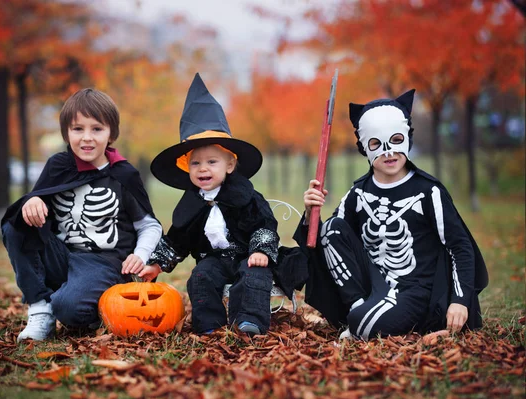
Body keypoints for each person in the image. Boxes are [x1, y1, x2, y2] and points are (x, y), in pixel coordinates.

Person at [295, 89, 488, 340]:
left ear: (408, 137)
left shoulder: (427, 192)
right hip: (371, 287)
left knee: (360, 325)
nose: (388, 152)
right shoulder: (359, 193)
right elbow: (328, 239)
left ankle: (363, 320)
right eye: (376, 144)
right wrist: (311, 212)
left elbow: (460, 246)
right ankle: (359, 309)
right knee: (332, 226)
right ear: (363, 147)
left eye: (396, 140)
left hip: (417, 292)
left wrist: (460, 300)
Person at [1, 88, 162, 342]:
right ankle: (40, 309)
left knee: (70, 310)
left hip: (104, 263)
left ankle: (90, 303)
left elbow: (149, 225)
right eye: (78, 129)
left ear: (111, 133)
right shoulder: (58, 166)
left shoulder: (123, 174)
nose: (87, 138)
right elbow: (39, 201)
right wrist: (32, 200)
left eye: (97, 129)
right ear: (66, 133)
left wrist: (140, 256)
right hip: (62, 256)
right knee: (16, 224)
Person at [141, 73, 279, 337]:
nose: (203, 168)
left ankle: (249, 321)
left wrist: (260, 249)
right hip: (213, 259)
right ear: (187, 168)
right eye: (196, 163)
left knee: (254, 275)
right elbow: (177, 239)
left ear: (229, 165)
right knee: (201, 277)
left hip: (246, 255)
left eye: (212, 162)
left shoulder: (245, 196)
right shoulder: (192, 202)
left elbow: (265, 224)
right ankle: (209, 324)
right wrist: (157, 264)